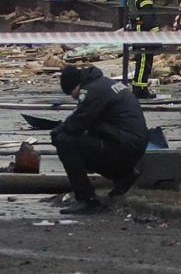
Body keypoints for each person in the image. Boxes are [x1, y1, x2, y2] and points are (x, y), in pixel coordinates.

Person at [51, 65, 149, 215]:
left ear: (75, 85)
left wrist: (56, 132)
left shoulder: (92, 91)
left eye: (72, 93)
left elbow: (78, 122)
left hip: (124, 144)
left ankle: (87, 199)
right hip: (131, 142)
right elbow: (86, 119)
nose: (74, 97)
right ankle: (123, 175)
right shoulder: (104, 83)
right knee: (84, 138)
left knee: (65, 141)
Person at [123, 0, 161, 100]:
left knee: (141, 61)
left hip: (136, 32)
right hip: (144, 35)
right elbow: (148, 17)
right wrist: (155, 32)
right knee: (144, 62)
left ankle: (140, 87)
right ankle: (139, 90)